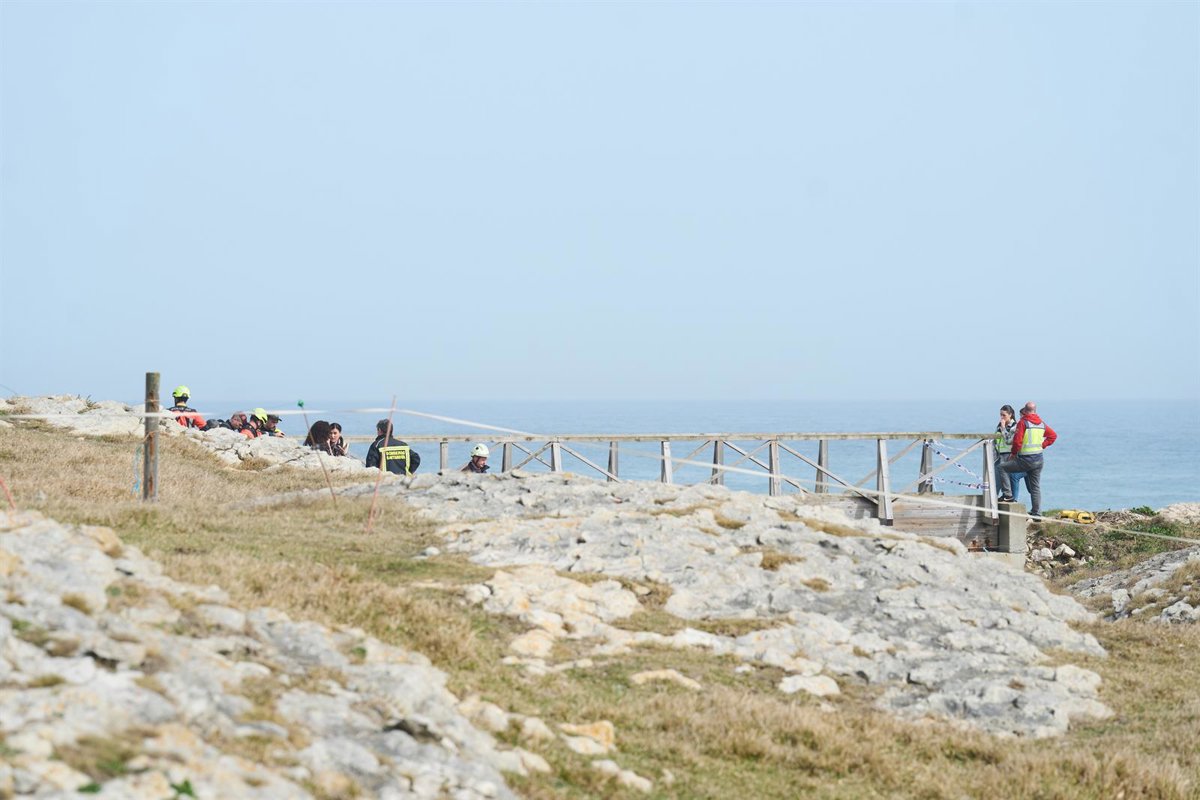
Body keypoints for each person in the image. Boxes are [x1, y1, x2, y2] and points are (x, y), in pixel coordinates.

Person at [1000, 401, 1057, 517]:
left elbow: (1017, 441)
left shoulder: (1023, 422)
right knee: (1035, 487)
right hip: (1039, 459)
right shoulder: (1041, 424)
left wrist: (1013, 454)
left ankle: (1008, 495)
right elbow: (1053, 436)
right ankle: (1037, 513)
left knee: (1002, 468)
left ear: (1025, 411)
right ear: (1035, 410)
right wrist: (1042, 445)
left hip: (1025, 460)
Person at [994, 404, 1025, 503]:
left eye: (1004, 415)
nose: (1002, 417)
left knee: (1006, 475)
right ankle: (995, 497)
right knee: (997, 478)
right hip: (999, 455)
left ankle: (1008, 495)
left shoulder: (1014, 426)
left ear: (1010, 414)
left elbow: (1008, 439)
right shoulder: (999, 426)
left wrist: (1003, 427)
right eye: (1000, 415)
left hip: (1008, 454)